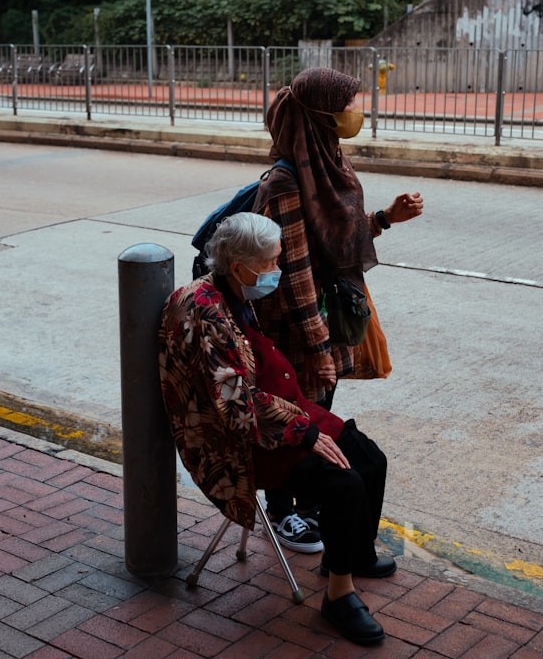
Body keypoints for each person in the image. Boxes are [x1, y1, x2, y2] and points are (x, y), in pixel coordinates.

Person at [159, 212, 395, 646]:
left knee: (371, 460)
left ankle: (349, 554)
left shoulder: (234, 292)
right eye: (270, 263)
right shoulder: (208, 313)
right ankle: (339, 596)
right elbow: (234, 404)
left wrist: (304, 418)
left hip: (283, 411)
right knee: (344, 483)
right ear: (239, 266)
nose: (277, 271)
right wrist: (306, 433)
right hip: (245, 443)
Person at [252, 66, 424, 549]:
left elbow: (334, 240)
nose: (358, 112)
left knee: (319, 411)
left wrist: (387, 218)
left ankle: (312, 500)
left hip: (323, 318)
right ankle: (282, 511)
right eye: (351, 104)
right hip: (295, 328)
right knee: (296, 417)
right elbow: (296, 273)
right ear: (324, 114)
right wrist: (319, 347)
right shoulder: (286, 184)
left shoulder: (327, 161)